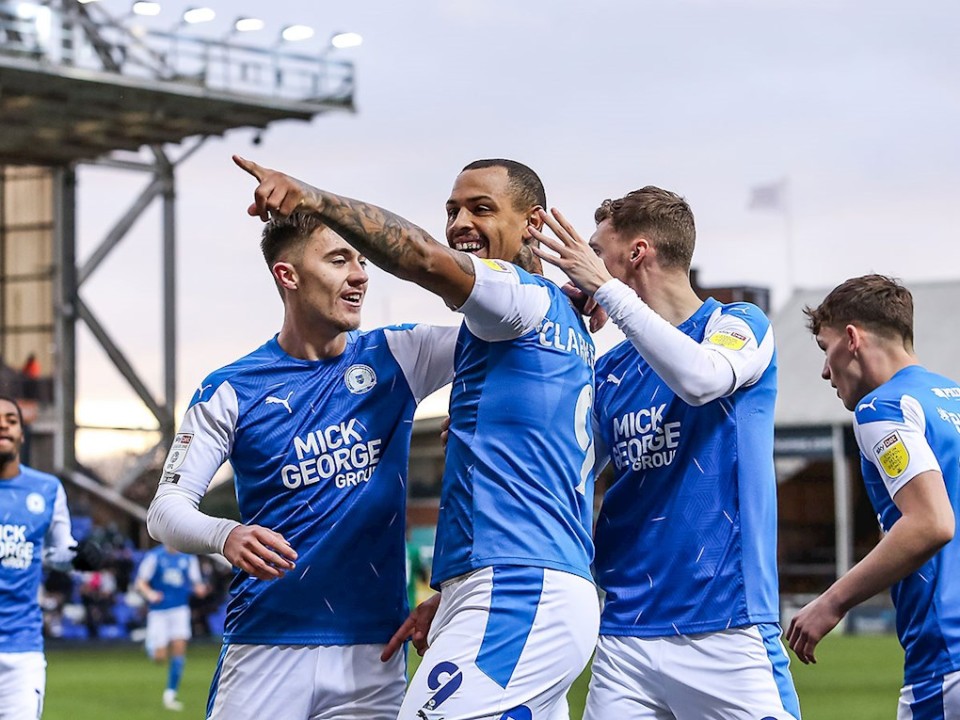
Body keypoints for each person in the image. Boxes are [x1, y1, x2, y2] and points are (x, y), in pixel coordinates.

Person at [234, 155, 600, 720]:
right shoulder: (557, 320)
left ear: (533, 222)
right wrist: (450, 595)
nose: (459, 224)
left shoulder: (516, 295)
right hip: (523, 584)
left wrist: (312, 199)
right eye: (452, 211)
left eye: (481, 208)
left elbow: (424, 257)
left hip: (519, 587)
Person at [146, 212, 458, 720]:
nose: (359, 275)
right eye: (338, 260)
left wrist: (578, 293)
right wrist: (227, 534)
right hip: (265, 645)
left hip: (373, 652)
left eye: (362, 261)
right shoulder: (231, 388)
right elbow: (164, 512)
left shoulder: (399, 353)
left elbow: (507, 334)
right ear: (287, 275)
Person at [529, 188, 801, 719]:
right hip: (625, 635)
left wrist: (608, 291)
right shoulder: (610, 371)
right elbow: (560, 473)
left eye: (595, 250)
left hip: (727, 627)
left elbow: (702, 379)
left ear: (637, 253)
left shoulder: (737, 325)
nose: (584, 263)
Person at [788, 275, 960, 718]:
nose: (825, 371)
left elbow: (931, 523)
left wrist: (831, 603)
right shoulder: (952, 402)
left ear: (852, 339)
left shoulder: (883, 406)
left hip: (948, 661)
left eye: (825, 349)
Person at [0, 396, 88, 719]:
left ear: (22, 434)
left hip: (22, 650)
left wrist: (81, 557)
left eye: (11, 420)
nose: (3, 425)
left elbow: (59, 552)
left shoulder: (47, 489)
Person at [134, 544, 207, 711]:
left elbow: (196, 582)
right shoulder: (155, 557)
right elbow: (140, 582)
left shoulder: (189, 558)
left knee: (179, 649)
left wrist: (200, 589)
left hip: (180, 610)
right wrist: (150, 594)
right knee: (159, 657)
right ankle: (151, 644)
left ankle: (170, 694)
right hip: (159, 612)